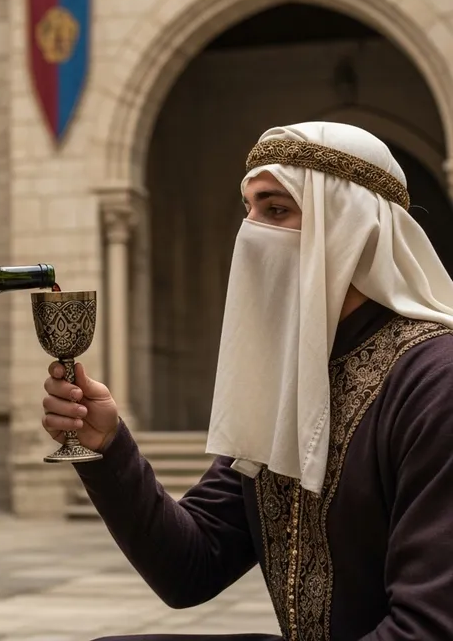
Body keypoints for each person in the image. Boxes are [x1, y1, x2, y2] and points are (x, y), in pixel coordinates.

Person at [42, 121, 453, 641]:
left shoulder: (436, 381)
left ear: (349, 227)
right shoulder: (291, 377)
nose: (250, 231)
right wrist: (106, 445)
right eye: (249, 211)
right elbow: (190, 565)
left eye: (276, 210)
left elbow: (428, 628)